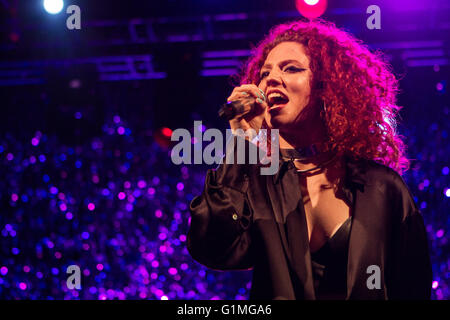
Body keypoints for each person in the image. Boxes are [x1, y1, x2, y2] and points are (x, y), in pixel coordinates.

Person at [187, 19, 432, 300]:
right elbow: (212, 247)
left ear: (326, 87)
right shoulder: (256, 184)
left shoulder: (381, 187)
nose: (271, 79)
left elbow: (414, 287)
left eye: (291, 68)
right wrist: (241, 143)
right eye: (265, 73)